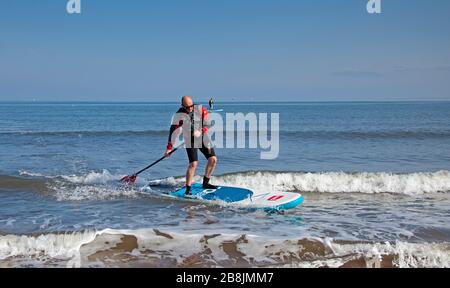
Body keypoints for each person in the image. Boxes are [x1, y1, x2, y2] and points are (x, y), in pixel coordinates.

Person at [165, 96, 218, 195]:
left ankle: (206, 183)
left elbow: (209, 124)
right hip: (189, 140)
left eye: (191, 106)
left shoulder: (200, 109)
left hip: (202, 136)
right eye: (187, 107)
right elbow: (173, 133)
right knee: (193, 164)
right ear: (182, 106)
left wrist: (200, 131)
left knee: (213, 159)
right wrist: (169, 149)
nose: (190, 108)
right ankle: (188, 189)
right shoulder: (179, 115)